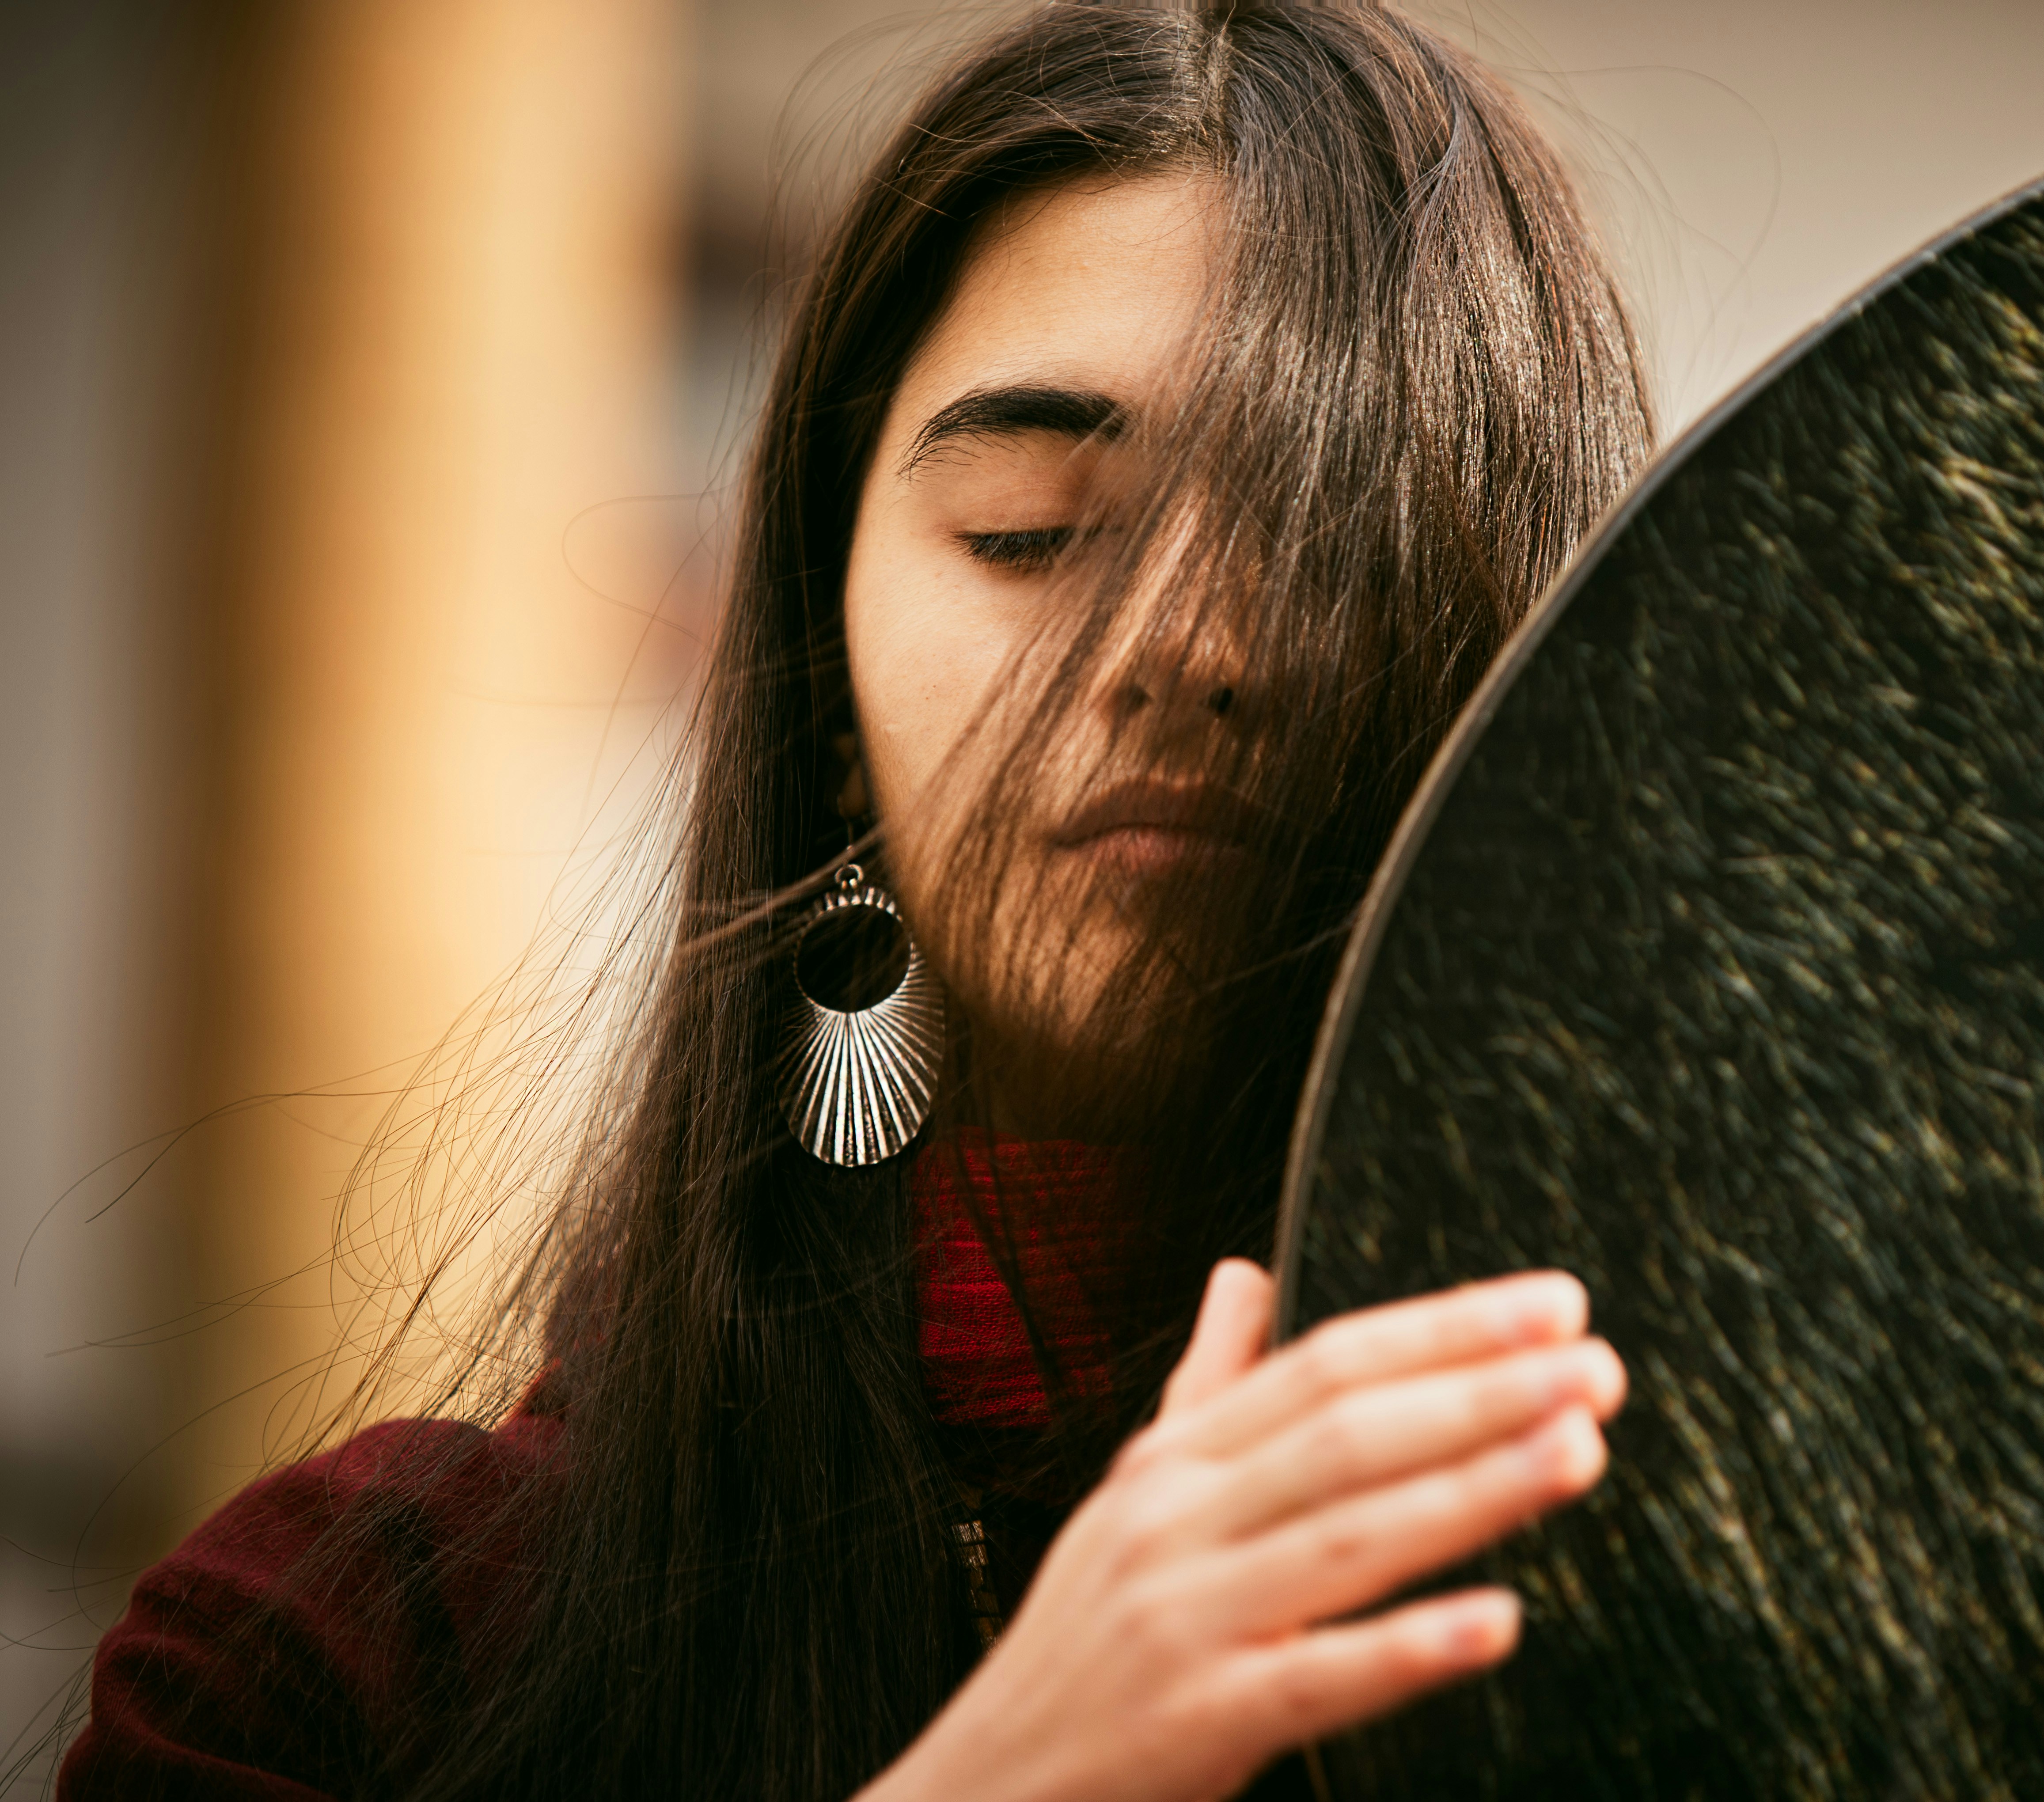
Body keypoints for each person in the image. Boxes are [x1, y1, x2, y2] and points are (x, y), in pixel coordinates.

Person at [61, 2, 1653, 1797]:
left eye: (1328, 539)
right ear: (824, 684)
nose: (1183, 651)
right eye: (1030, 532)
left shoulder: (1772, 1565)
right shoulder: (322, 1663)